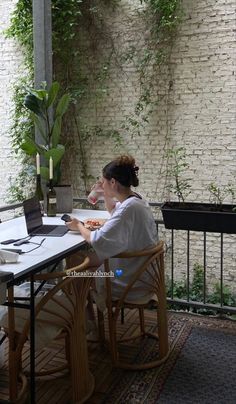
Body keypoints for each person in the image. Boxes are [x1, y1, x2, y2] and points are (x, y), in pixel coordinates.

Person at [66, 155, 158, 316]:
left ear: (113, 182)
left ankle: (82, 322)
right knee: (79, 259)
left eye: (103, 181)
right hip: (142, 272)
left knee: (76, 268)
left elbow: (96, 239)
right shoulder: (136, 200)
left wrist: (78, 225)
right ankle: (85, 319)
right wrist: (107, 194)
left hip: (127, 279)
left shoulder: (128, 209)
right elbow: (114, 211)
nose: (101, 184)